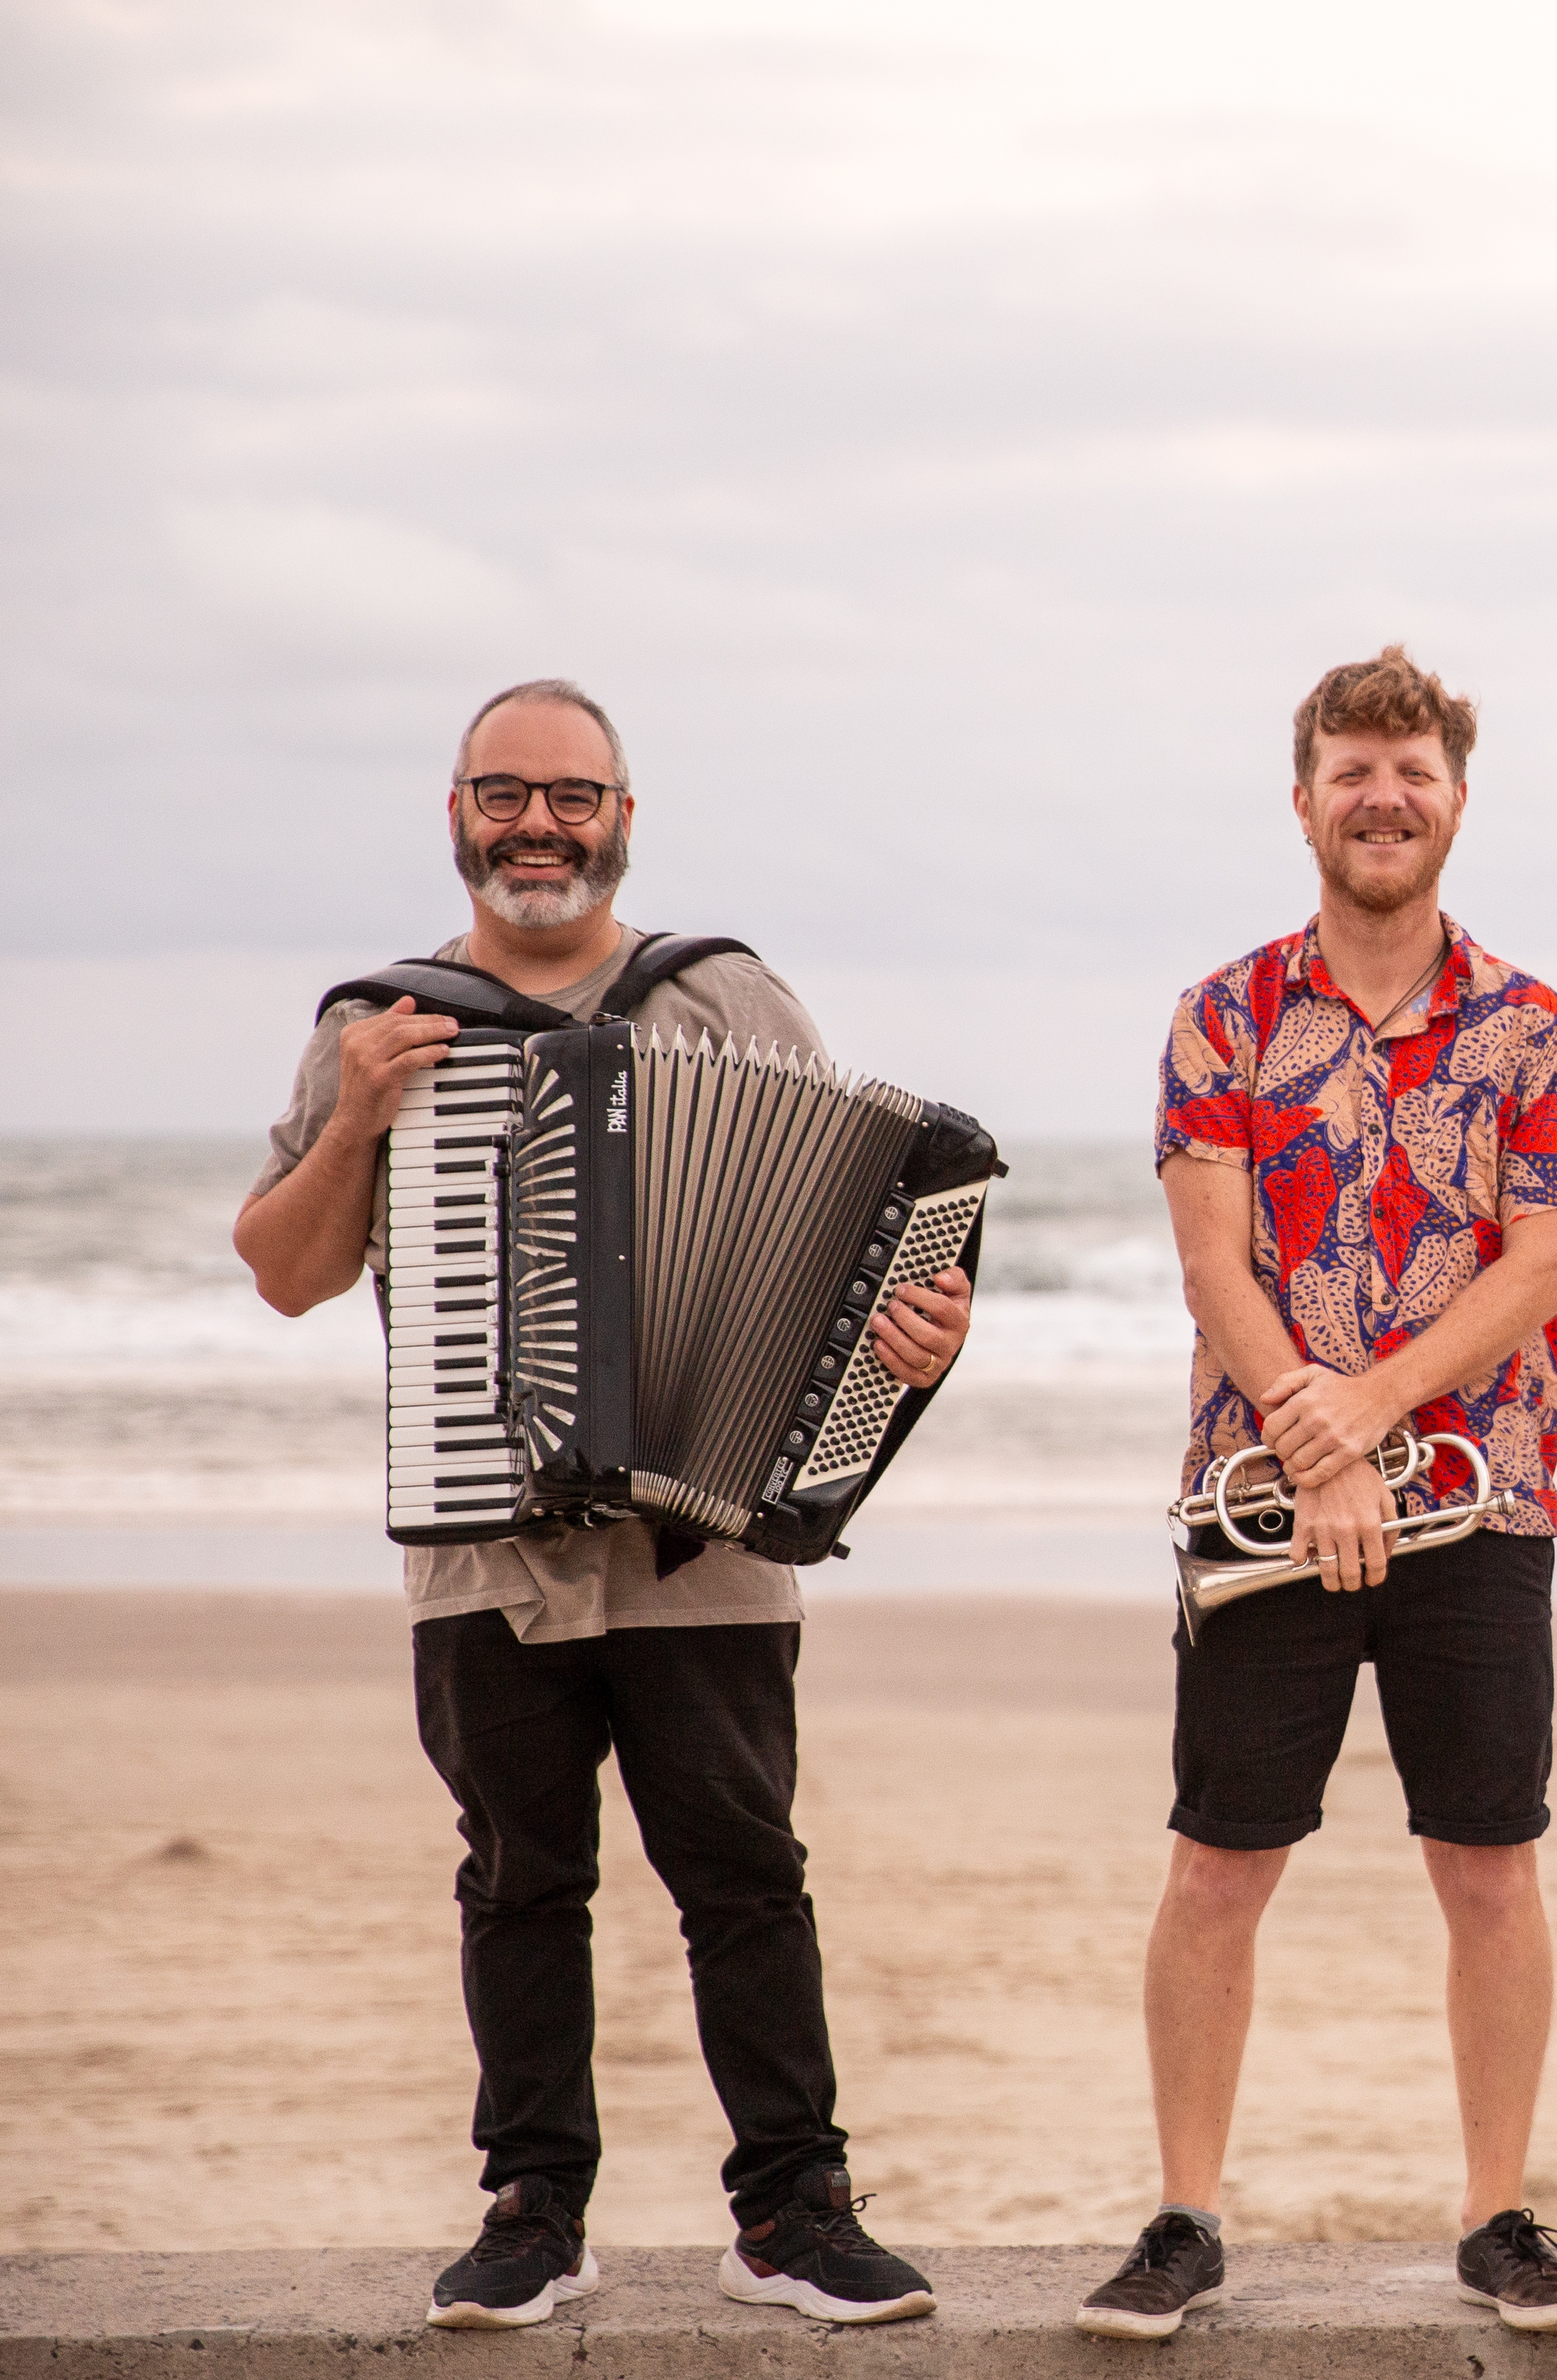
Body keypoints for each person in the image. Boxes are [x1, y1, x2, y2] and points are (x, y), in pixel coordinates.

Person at [234, 679, 968, 2331]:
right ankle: (532, 2212)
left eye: (573, 796)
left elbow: (853, 1233)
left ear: (626, 817)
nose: (539, 825)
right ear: (454, 813)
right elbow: (286, 1273)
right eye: (506, 794)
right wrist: (356, 1114)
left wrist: (923, 1328)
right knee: (516, 1875)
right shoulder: (379, 1025)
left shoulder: (725, 998)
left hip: (698, 1546)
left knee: (746, 1875)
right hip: (482, 1544)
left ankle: (791, 2212)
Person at [1075, 647, 1557, 2343]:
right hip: (1259, 1505)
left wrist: (1369, 1422)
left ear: (1457, 797)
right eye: (1352, 770)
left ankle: (1499, 2217)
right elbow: (1210, 1266)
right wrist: (1325, 1457)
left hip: (1481, 1496)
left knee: (1489, 1867)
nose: (1384, 798)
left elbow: (1537, 1262)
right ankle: (1181, 2217)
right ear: (1302, 799)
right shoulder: (1221, 1014)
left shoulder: (1530, 1022)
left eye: (1414, 771)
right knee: (1220, 1864)